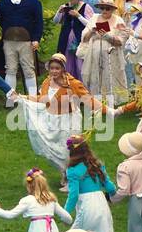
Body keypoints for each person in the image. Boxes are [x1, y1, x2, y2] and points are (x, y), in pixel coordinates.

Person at [18, 54, 105, 182]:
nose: (54, 71)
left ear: (63, 69)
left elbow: (88, 100)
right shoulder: (47, 82)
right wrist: (24, 97)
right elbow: (43, 99)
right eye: (52, 68)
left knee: (69, 150)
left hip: (69, 120)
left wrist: (106, 110)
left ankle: (73, 177)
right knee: (55, 150)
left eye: (57, 68)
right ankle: (66, 174)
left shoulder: (72, 84)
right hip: (54, 120)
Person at [65, 135, 118, 232]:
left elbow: (73, 194)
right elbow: (109, 186)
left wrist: (66, 213)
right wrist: (113, 192)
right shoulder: (96, 164)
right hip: (101, 204)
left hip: (86, 206)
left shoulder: (73, 170)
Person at [0, 0, 43, 98]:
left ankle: (33, 98)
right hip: (9, 41)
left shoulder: (33, 1)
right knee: (10, 69)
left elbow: (38, 21)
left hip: (26, 42)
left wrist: (36, 39)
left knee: (28, 70)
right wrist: (8, 30)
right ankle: (10, 99)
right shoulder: (5, 0)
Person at [78, 0, 129, 102]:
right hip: (94, 54)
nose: (104, 11)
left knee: (110, 75)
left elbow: (121, 41)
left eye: (107, 8)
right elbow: (84, 39)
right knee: (95, 75)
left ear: (112, 9)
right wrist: (92, 31)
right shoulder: (93, 18)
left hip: (112, 55)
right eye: (102, 8)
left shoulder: (118, 20)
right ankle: (97, 99)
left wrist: (107, 36)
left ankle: (112, 100)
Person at [52, 0, 94, 81]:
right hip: (66, 39)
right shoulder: (65, 7)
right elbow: (55, 21)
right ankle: (68, 85)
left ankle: (82, 86)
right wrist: (59, 12)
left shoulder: (85, 7)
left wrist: (78, 16)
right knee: (67, 62)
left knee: (80, 64)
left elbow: (91, 24)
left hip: (81, 39)